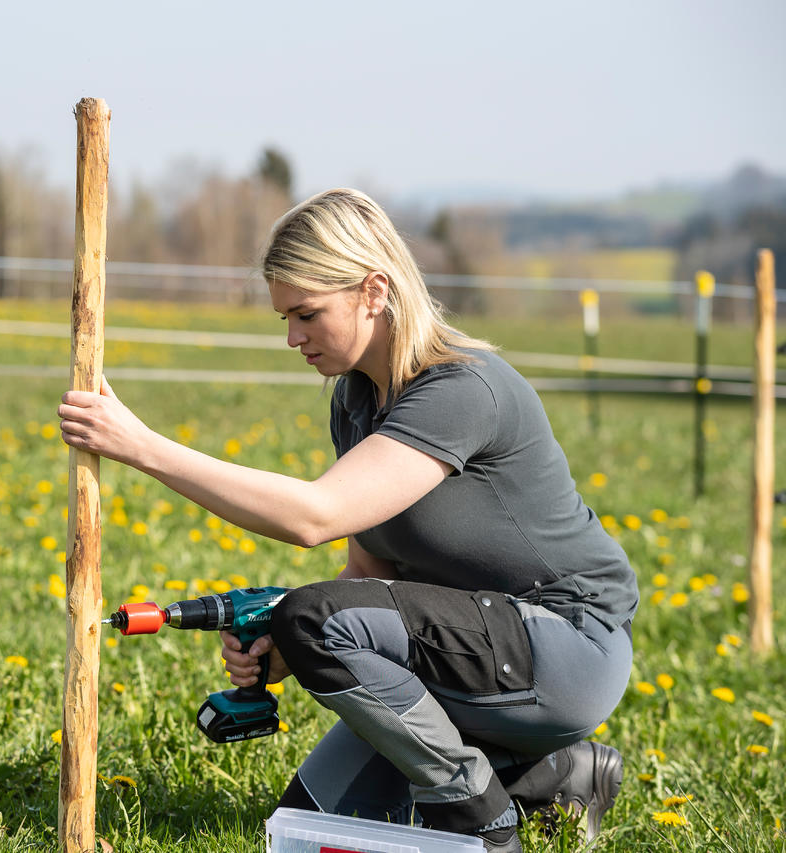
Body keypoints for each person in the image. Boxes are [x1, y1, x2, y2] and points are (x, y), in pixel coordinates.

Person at [58, 188, 637, 852]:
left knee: (312, 615)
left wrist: (143, 447)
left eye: (306, 313)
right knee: (308, 822)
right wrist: (284, 649)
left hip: (563, 647)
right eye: (284, 317)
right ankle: (552, 775)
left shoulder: (461, 389)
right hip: (472, 655)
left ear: (373, 291)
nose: (292, 337)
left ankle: (477, 811)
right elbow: (370, 569)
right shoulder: (358, 399)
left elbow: (317, 516)